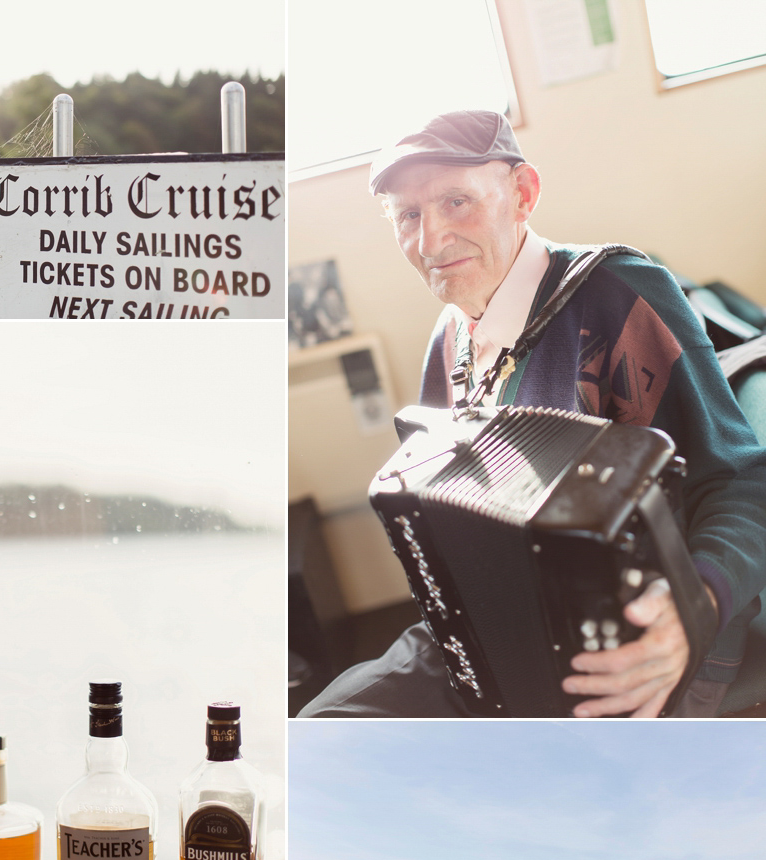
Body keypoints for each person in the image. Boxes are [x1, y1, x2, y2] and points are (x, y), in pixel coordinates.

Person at [298, 110, 766, 720]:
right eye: (408, 216)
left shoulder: (617, 292)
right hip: (491, 628)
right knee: (326, 731)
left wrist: (692, 611)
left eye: (457, 201)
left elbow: (740, 482)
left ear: (523, 194)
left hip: (641, 638)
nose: (431, 240)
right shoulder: (448, 342)